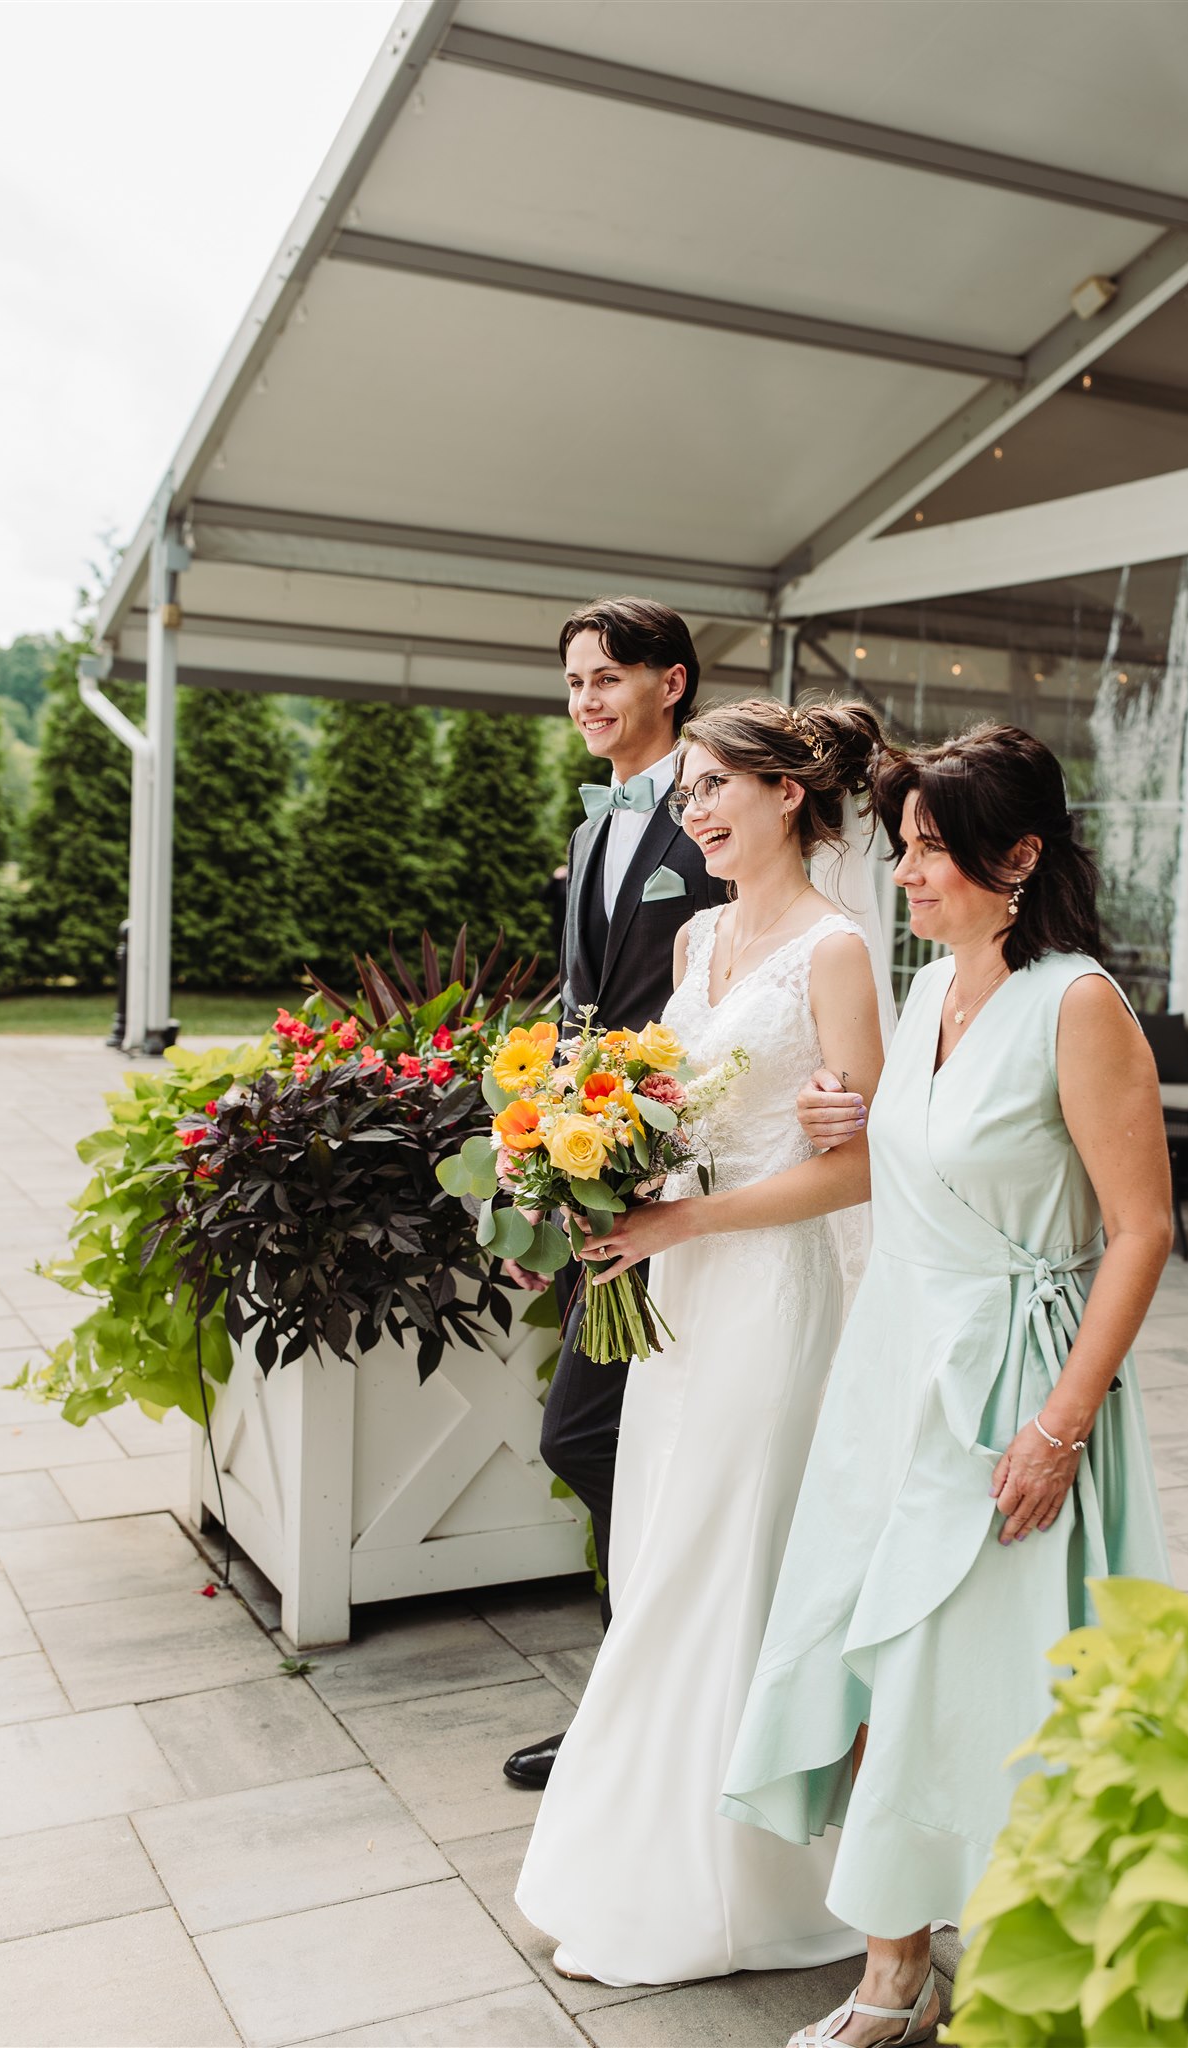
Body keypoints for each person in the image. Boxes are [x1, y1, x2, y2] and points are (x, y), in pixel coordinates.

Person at [721, 723, 1173, 2048]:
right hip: (893, 1374)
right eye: (904, 847)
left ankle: (917, 1974)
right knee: (874, 1667)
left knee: (963, 1681)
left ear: (1018, 854)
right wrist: (856, 1128)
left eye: (930, 852)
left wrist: (1055, 1429)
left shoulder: (1076, 1003)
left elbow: (1135, 1232)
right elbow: (935, 1150)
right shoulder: (926, 996)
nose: (905, 876)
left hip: (1014, 1388)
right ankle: (901, 1961)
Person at [515, 696, 896, 1989]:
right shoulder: (688, 945)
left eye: (713, 790)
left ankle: (736, 1895)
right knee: (654, 1555)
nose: (695, 816)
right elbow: (666, 1112)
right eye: (684, 800)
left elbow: (856, 1175)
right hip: (674, 1302)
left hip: (768, 1296)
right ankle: (644, 1867)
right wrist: (589, 1178)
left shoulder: (836, 950)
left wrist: (690, 1216)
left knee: (719, 1569)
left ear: (787, 793)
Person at [503, 597, 728, 1792]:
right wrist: (541, 1158)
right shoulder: (594, 831)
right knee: (599, 1437)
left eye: (606, 677)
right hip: (610, 1172)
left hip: (707, 1183)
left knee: (596, 1433)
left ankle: (652, 1703)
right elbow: (583, 1005)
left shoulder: (724, 808)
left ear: (671, 681)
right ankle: (635, 1702)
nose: (585, 699)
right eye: (574, 681)